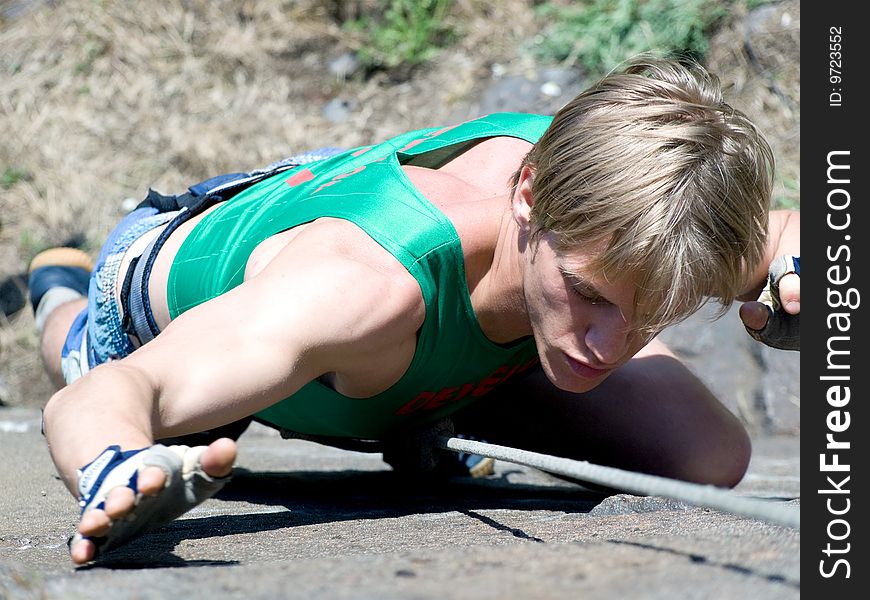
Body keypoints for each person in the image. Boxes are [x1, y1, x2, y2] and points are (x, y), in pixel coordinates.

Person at [29, 56, 799, 565]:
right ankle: (51, 288)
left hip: (373, 272)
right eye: (589, 295)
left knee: (706, 454)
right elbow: (108, 396)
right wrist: (117, 466)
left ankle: (435, 413)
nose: (609, 345)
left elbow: (788, 233)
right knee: (124, 379)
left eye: (650, 313)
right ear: (529, 196)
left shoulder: (656, 209)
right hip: (163, 283)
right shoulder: (358, 288)